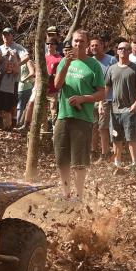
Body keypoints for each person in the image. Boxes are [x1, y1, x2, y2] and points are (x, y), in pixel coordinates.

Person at [53, 31, 106, 200]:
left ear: (87, 44)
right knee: (62, 158)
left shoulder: (94, 65)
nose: (78, 44)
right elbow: (57, 84)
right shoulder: (64, 61)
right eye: (76, 41)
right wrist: (67, 63)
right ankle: (66, 193)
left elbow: (102, 93)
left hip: (83, 118)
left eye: (82, 41)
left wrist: (84, 98)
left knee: (79, 160)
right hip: (63, 115)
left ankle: (79, 195)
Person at [105, 41, 136, 169]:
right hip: (114, 110)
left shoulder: (135, 68)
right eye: (119, 48)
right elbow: (106, 88)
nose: (121, 50)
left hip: (129, 109)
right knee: (116, 137)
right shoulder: (112, 68)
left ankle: (134, 164)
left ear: (129, 51)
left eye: (125, 48)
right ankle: (117, 163)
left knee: (131, 138)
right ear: (117, 51)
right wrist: (100, 103)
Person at [90, 37, 116, 160]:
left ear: (102, 46)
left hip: (106, 98)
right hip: (91, 98)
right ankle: (93, 152)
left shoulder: (111, 60)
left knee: (103, 127)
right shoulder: (89, 61)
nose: (94, 48)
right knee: (92, 127)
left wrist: (102, 99)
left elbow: (114, 79)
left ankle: (104, 153)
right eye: (92, 46)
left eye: (97, 45)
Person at [0, 28, 27, 130]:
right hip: (0, 78)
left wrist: (17, 64)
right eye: (4, 34)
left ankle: (12, 124)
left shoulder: (17, 47)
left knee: (12, 102)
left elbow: (26, 57)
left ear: (12, 35)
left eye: (8, 34)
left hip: (13, 79)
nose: (5, 36)